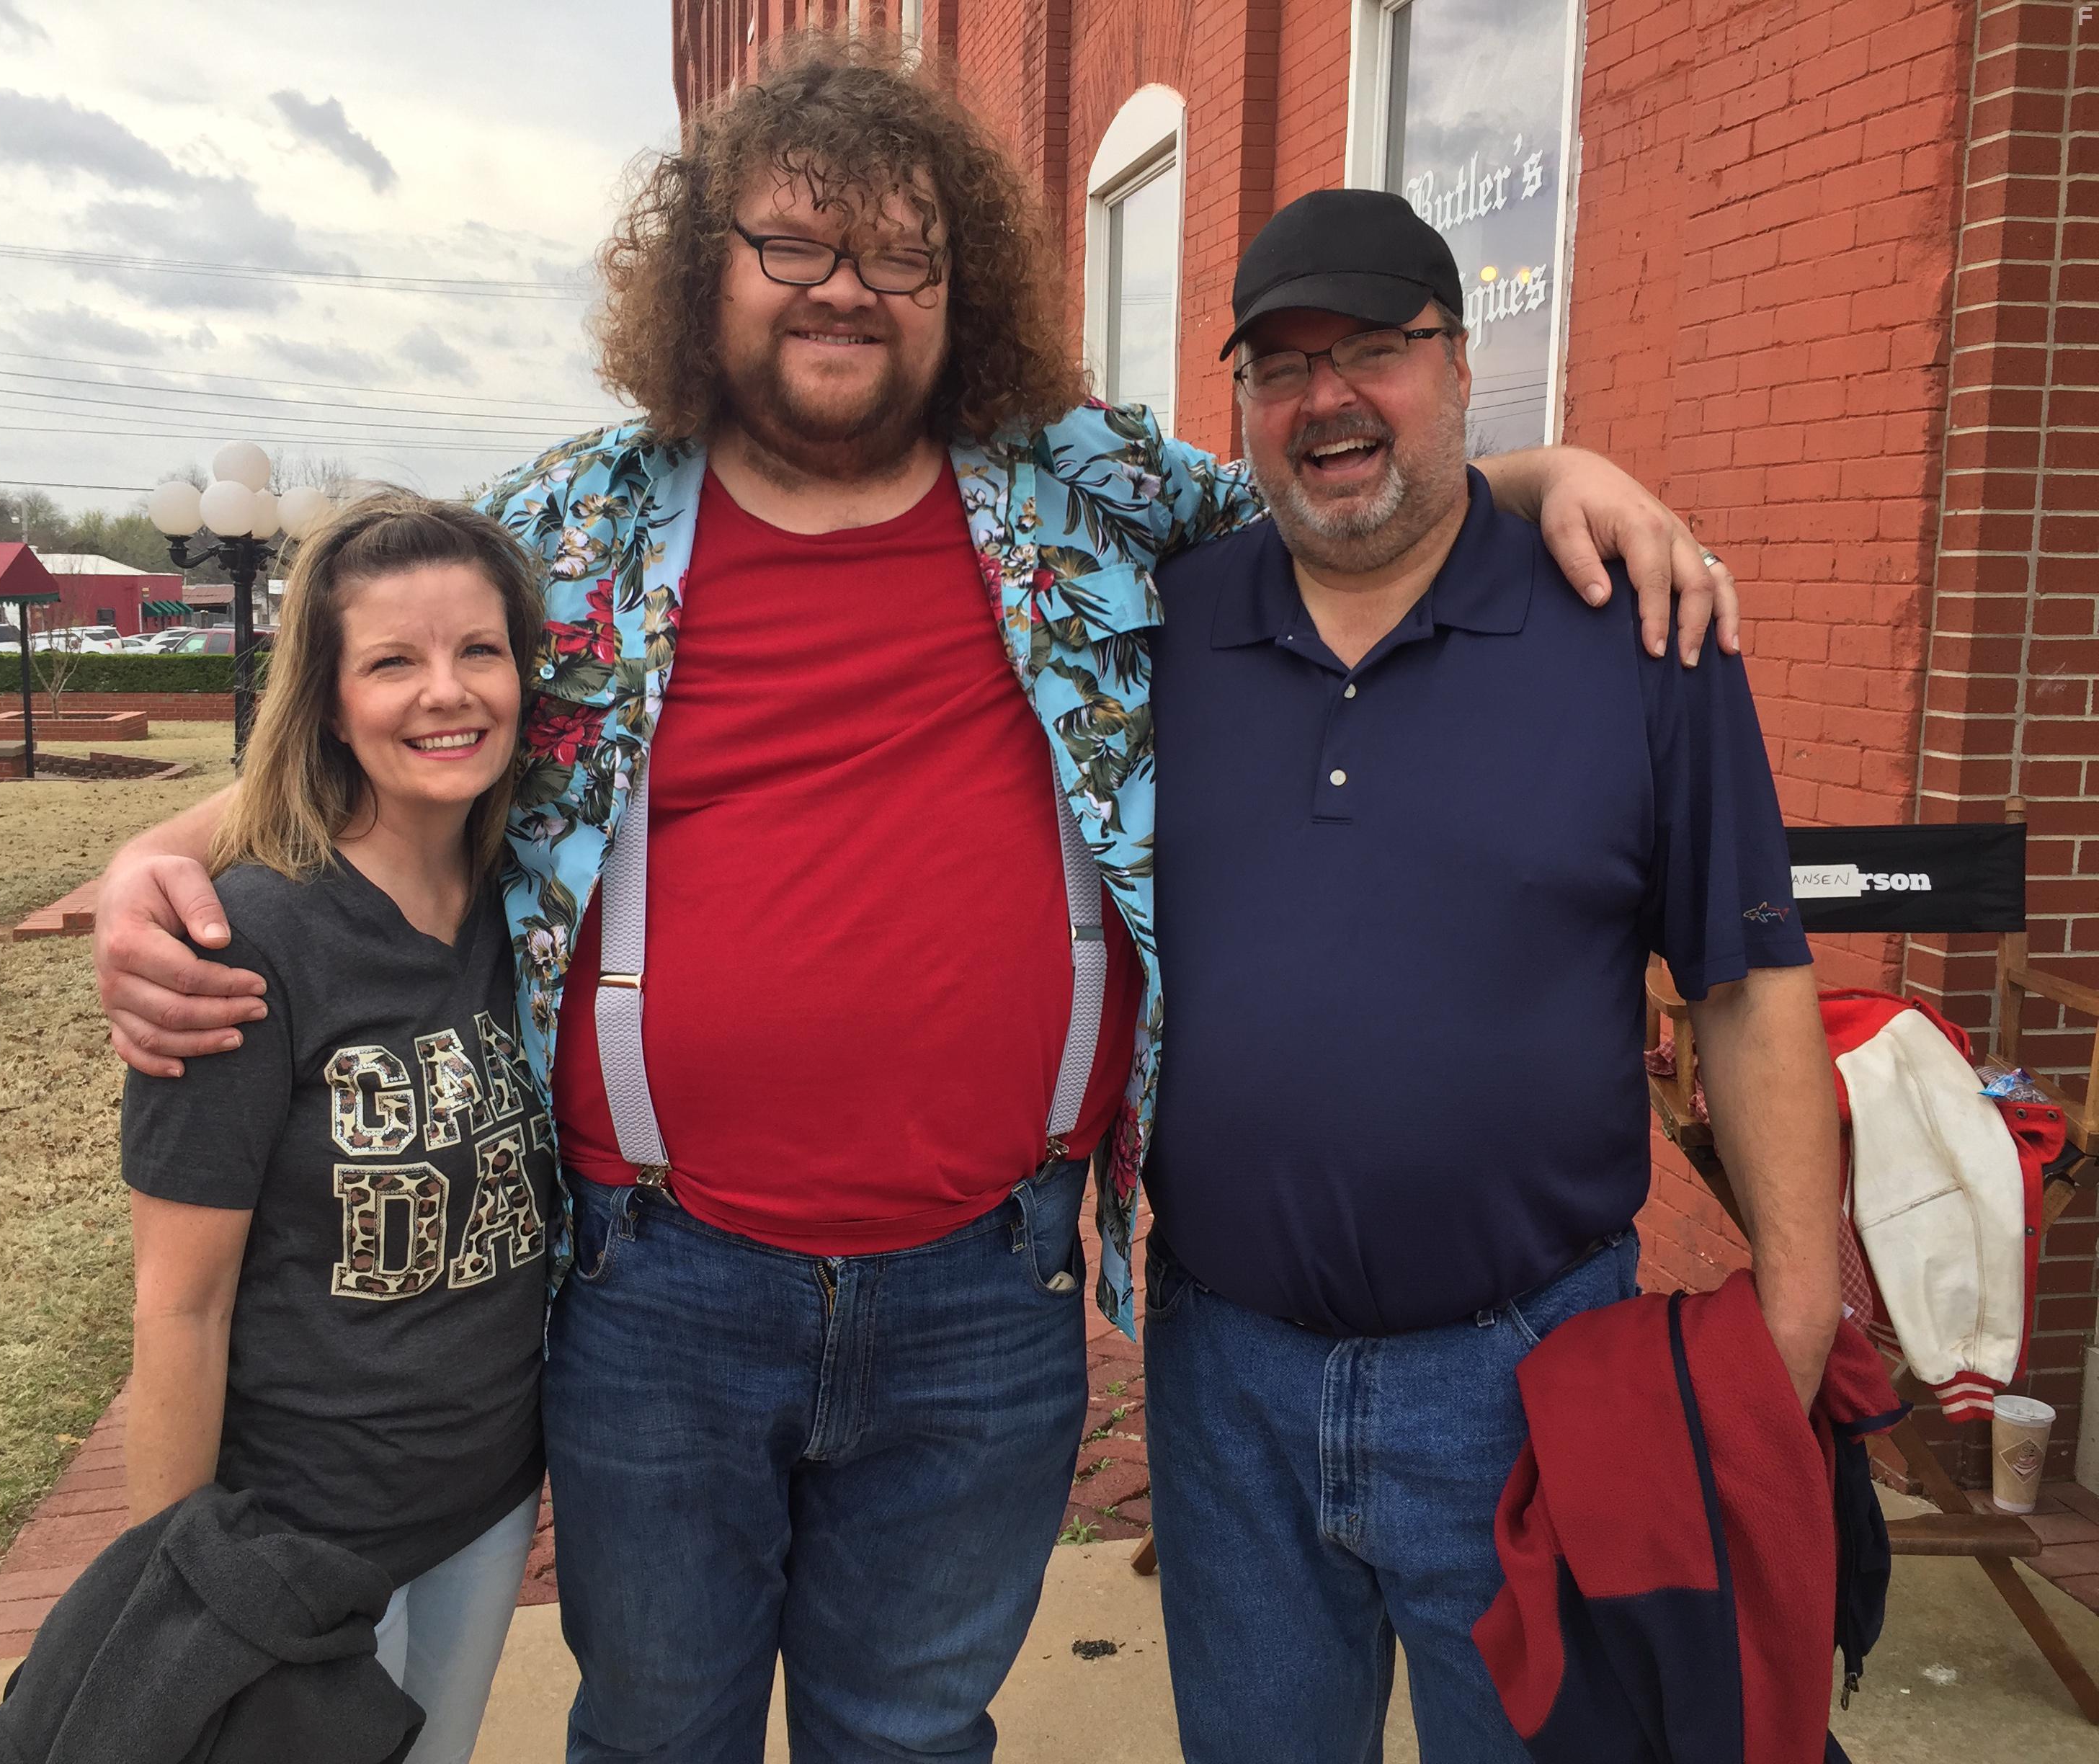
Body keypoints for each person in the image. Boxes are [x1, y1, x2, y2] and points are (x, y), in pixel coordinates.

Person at [92, 36, 1742, 1764]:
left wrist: (1562, 476)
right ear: (702, 269)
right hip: (661, 1285)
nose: (847, 293)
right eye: (794, 246)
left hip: (990, 1278)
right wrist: (166, 859)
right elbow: (404, 700)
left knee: (911, 1730)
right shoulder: (576, 530)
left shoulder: (1082, 498)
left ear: (966, 291)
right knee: (659, 1730)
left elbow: (1344, 499)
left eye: (900, 256)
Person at [1138, 187, 1842, 1763]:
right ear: (1243, 402)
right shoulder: (1158, 637)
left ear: (1461, 368)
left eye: (1376, 348)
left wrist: (1795, 1319)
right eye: (1282, 362)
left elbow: (1746, 981)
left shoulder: (1640, 635)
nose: (1328, 398)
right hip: (1224, 1383)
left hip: (1531, 1382)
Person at [119, 491, 556, 1764]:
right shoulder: (246, 940)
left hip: (481, 1505)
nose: (446, 693)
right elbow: (178, 1306)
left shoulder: (525, 899)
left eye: (479, 650)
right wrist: (174, 1603)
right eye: (393, 662)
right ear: (325, 698)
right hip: (294, 1546)